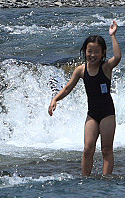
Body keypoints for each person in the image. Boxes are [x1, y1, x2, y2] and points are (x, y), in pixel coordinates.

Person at [48, 21, 121, 176]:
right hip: (92, 115)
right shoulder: (81, 70)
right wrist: (55, 99)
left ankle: (106, 179)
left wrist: (113, 36)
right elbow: (68, 88)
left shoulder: (106, 67)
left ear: (102, 53)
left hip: (107, 113)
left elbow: (118, 57)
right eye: (89, 51)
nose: (92, 55)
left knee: (106, 149)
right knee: (88, 149)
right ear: (84, 51)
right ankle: (85, 179)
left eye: (96, 52)